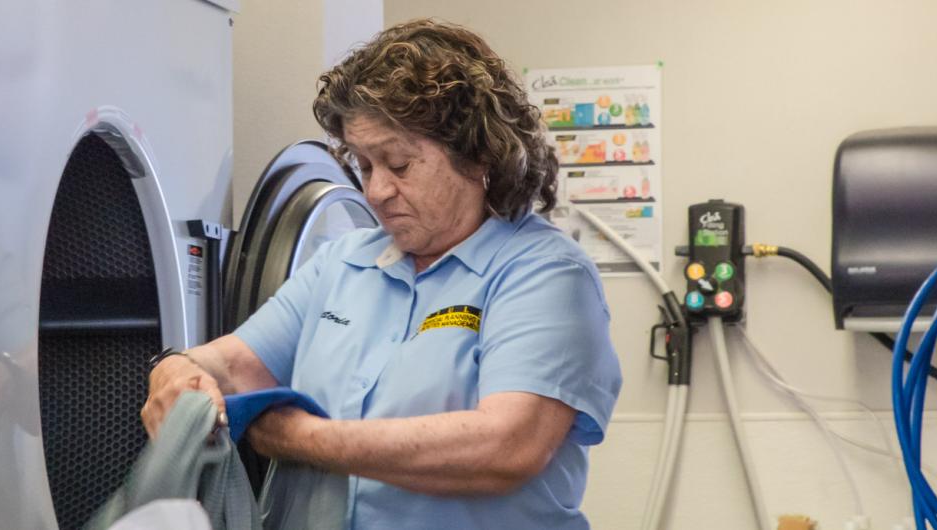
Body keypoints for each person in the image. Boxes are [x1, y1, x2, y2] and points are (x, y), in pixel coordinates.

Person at [141, 19, 622, 529]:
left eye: (399, 164)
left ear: (479, 155)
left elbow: (506, 446)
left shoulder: (544, 274)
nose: (376, 192)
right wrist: (173, 370)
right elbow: (233, 366)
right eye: (365, 166)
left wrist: (292, 437)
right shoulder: (342, 263)